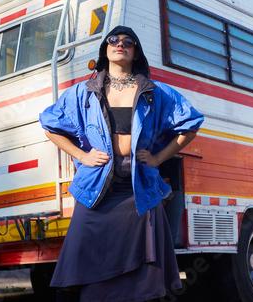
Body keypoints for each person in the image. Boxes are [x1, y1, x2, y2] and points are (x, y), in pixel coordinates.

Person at [39, 25, 204, 302]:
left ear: (136, 53)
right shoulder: (84, 92)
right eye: (113, 40)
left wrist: (157, 158)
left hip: (139, 191)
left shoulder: (156, 92)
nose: (120, 44)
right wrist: (82, 156)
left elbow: (190, 125)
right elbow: (50, 126)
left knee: (144, 280)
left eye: (128, 41)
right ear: (105, 49)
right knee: (72, 274)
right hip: (96, 192)